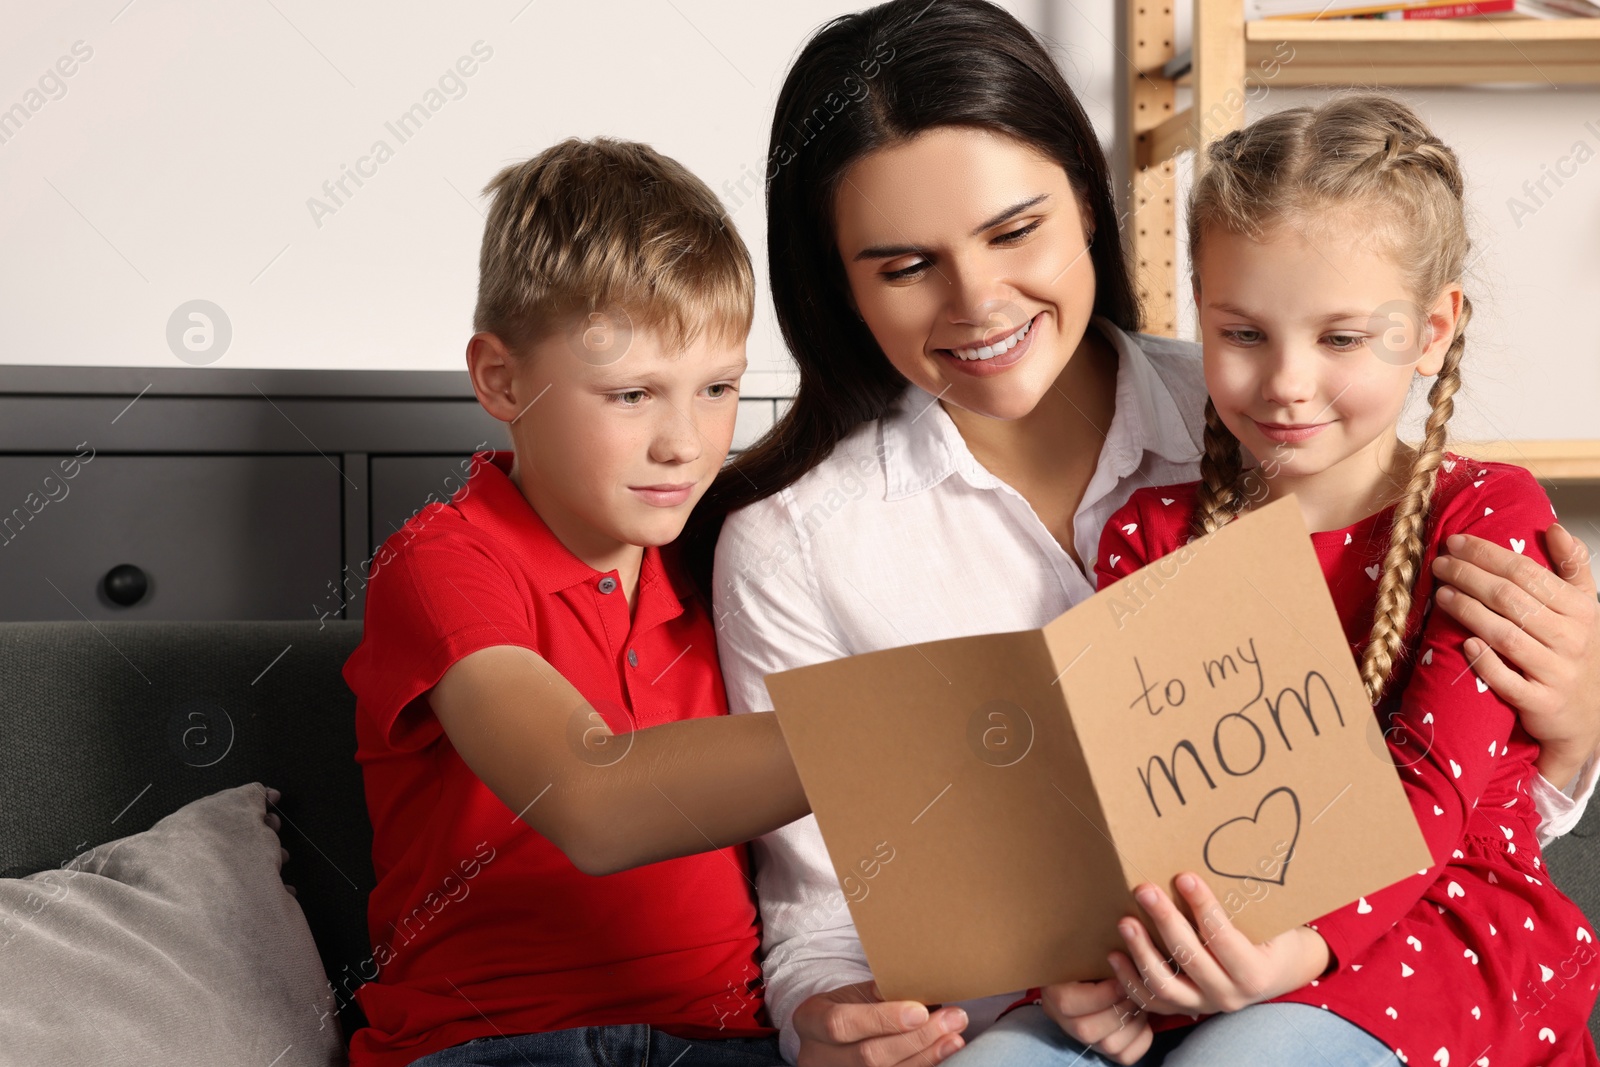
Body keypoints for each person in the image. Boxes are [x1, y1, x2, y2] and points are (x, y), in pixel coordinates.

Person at [691, 2, 1600, 1064]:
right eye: (903, 266)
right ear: (836, 283)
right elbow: (826, 914)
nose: (978, 301)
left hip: (1376, 961)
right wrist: (830, 1015)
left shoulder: (1263, 413)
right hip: (1109, 992)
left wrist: (1574, 728)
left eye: (1013, 229)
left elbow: (1468, 804)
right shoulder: (799, 546)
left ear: (1087, 201)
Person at [968, 92, 1600, 1067]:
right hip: (1209, 927)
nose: (1287, 382)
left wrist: (1284, 955)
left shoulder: (1485, 515)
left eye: (1341, 338)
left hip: (1434, 920)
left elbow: (1428, 790)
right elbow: (1125, 801)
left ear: (1431, 330)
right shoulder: (1151, 528)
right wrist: (1092, 972)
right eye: (1244, 333)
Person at [341, 137, 803, 1067]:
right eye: (632, 393)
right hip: (496, 1045)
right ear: (502, 380)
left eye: (718, 388)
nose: (685, 442)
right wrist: (905, 735)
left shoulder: (727, 556)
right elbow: (591, 797)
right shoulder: (443, 562)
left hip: (725, 1043)